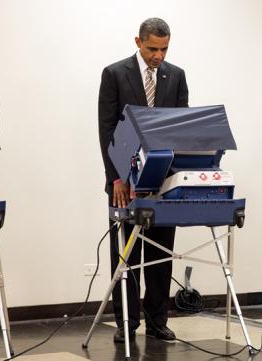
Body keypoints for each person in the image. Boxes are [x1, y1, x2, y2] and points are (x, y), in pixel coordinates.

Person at [98, 17, 188, 343]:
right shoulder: (114, 74)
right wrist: (116, 179)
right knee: (126, 254)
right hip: (125, 181)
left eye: (164, 49)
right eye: (152, 49)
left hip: (163, 180)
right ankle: (126, 322)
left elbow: (180, 129)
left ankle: (156, 320)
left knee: (161, 253)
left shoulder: (176, 76)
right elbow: (106, 130)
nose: (158, 56)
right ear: (138, 42)